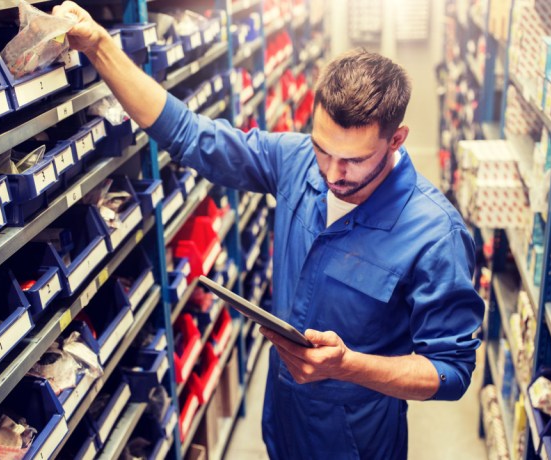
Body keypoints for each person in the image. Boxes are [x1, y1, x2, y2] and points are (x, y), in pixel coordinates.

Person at [53, 2, 484, 458]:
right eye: (323, 148)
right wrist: (100, 44)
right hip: (283, 418)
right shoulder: (297, 160)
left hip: (356, 439)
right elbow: (189, 135)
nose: (332, 173)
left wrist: (349, 366)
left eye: (354, 159)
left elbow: (450, 371)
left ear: (396, 139)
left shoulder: (436, 234)